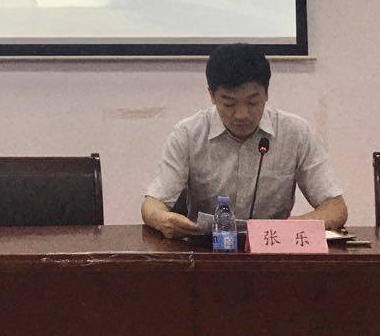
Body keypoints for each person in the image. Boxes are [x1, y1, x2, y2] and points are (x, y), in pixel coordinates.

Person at [142, 44, 347, 239]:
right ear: (212, 96)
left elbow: (335, 208)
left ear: (267, 92)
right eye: (229, 104)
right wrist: (163, 219)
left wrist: (294, 226)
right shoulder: (188, 134)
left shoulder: (295, 132)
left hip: (272, 250)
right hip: (207, 252)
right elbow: (152, 205)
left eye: (252, 102)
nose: (242, 114)